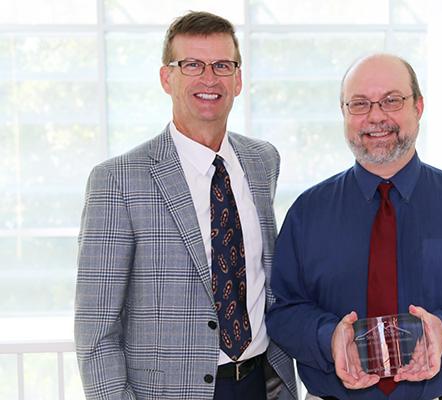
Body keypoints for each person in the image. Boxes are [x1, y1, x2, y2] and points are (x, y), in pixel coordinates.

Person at [265, 53, 442, 400]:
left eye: (391, 100)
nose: (376, 116)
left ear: (418, 107)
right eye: (359, 104)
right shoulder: (307, 211)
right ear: (344, 114)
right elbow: (283, 310)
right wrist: (329, 338)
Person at [75, 11, 296, 400]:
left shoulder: (263, 162)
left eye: (222, 65)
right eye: (192, 64)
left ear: (238, 79)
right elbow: (96, 333)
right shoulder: (118, 181)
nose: (209, 78)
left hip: (262, 383)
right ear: (167, 78)